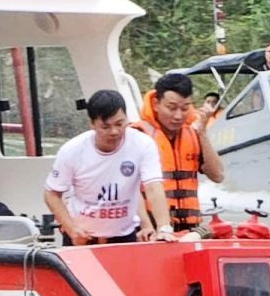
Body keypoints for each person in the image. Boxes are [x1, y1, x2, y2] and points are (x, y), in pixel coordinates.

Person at [43, 89, 175, 245]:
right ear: (92, 124)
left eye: (120, 124)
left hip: (124, 236)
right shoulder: (72, 150)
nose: (114, 132)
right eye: (105, 127)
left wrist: (163, 227)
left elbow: (153, 187)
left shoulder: (143, 144)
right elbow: (51, 194)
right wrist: (72, 229)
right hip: (83, 237)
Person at [134, 73, 225, 234]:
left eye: (184, 108)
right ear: (156, 104)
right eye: (171, 107)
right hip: (150, 230)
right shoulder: (136, 136)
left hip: (190, 230)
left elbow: (218, 176)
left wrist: (202, 133)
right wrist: (145, 225)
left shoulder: (194, 134)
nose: (178, 115)